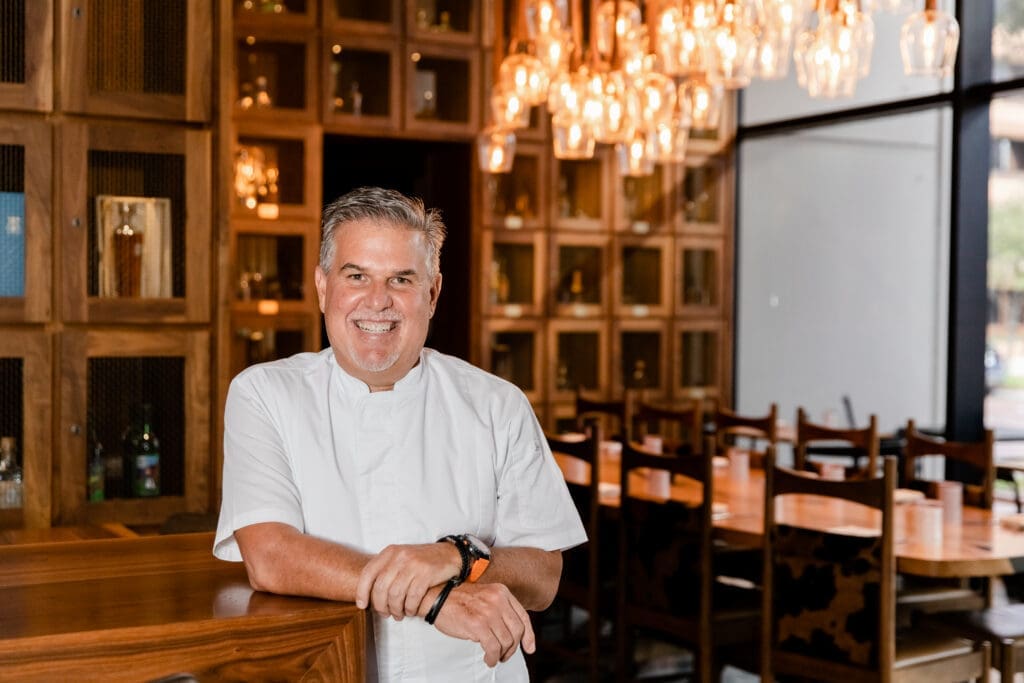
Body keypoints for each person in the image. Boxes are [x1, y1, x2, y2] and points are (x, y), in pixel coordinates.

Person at [214, 186, 586, 681]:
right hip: (331, 671)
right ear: (323, 287)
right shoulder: (264, 394)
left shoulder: (498, 404)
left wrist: (457, 556)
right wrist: (436, 600)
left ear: (432, 294)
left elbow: (544, 576)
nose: (378, 302)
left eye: (401, 279)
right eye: (357, 276)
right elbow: (271, 557)